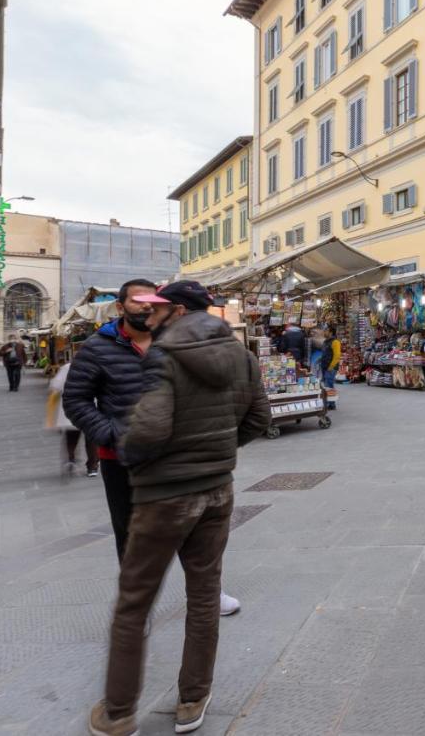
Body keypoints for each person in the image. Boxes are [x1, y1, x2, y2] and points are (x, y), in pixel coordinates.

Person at [88, 280, 270, 736]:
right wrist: (219, 452)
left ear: (179, 311)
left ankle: (118, 711)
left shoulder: (165, 355)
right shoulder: (243, 357)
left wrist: (129, 453)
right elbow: (258, 420)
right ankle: (193, 699)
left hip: (164, 496)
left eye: (157, 308)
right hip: (217, 491)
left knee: (134, 602)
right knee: (205, 595)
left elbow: (148, 430)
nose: (149, 315)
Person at [64, 280, 246, 618]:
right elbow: (75, 400)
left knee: (195, 531)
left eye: (153, 302)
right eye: (137, 301)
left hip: (181, 455)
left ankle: (210, 592)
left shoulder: (178, 340)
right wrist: (110, 433)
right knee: (131, 535)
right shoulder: (97, 347)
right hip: (123, 460)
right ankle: (137, 608)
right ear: (120, 307)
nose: (147, 307)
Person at [48, 361, 98, 476]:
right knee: (91, 439)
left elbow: (55, 386)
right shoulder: (94, 365)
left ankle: (71, 460)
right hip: (90, 407)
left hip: (71, 407)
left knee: (71, 437)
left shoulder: (67, 367)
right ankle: (92, 467)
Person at [322, 326, 341, 409]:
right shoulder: (326, 342)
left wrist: (331, 367)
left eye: (326, 330)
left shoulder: (335, 342)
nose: (324, 332)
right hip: (325, 367)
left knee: (328, 385)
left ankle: (330, 404)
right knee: (328, 385)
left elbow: (337, 356)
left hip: (330, 367)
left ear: (330, 332)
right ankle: (331, 403)